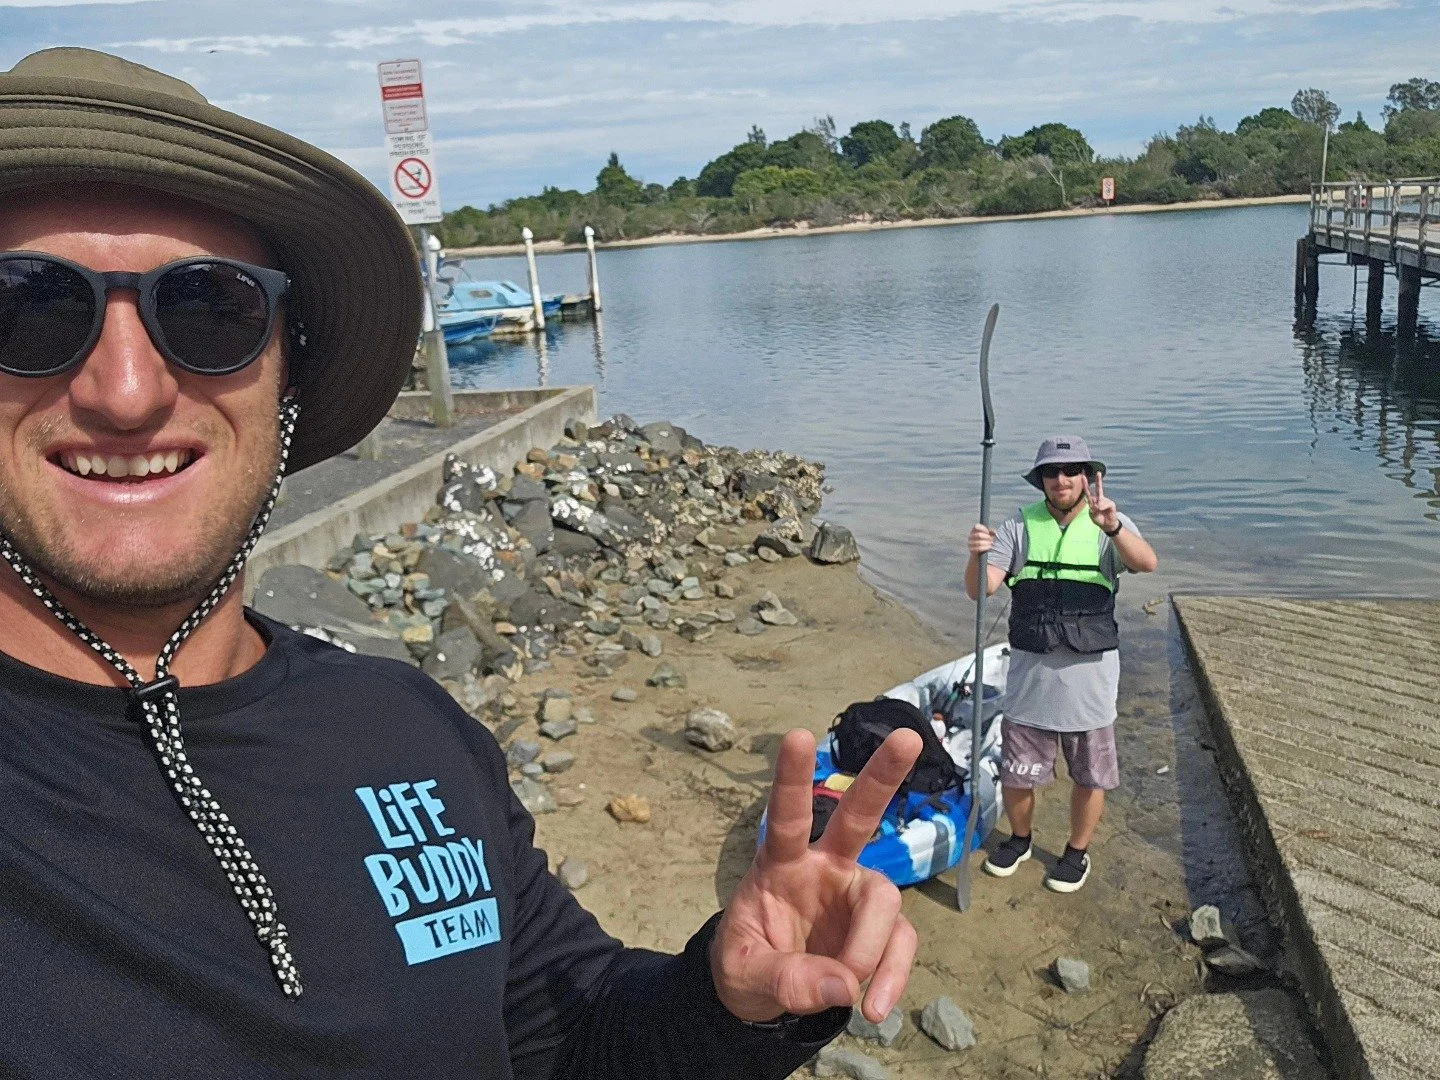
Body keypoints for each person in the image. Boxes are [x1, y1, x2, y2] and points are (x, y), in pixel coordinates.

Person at [0, 48, 923, 1077]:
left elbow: (565, 1045)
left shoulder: (406, 729)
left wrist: (724, 1002)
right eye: (30, 306)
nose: (125, 392)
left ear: (288, 367)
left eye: (209, 309)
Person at [964, 436, 1157, 893]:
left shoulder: (1111, 521)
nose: (1063, 479)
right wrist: (974, 555)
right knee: (1016, 774)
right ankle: (1021, 839)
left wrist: (1112, 528)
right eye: (1053, 472)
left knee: (1090, 777)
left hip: (1091, 684)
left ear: (1088, 477)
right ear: (1042, 481)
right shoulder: (1017, 528)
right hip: (1031, 681)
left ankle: (1076, 852)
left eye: (1073, 470)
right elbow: (981, 590)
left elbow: (1147, 563)